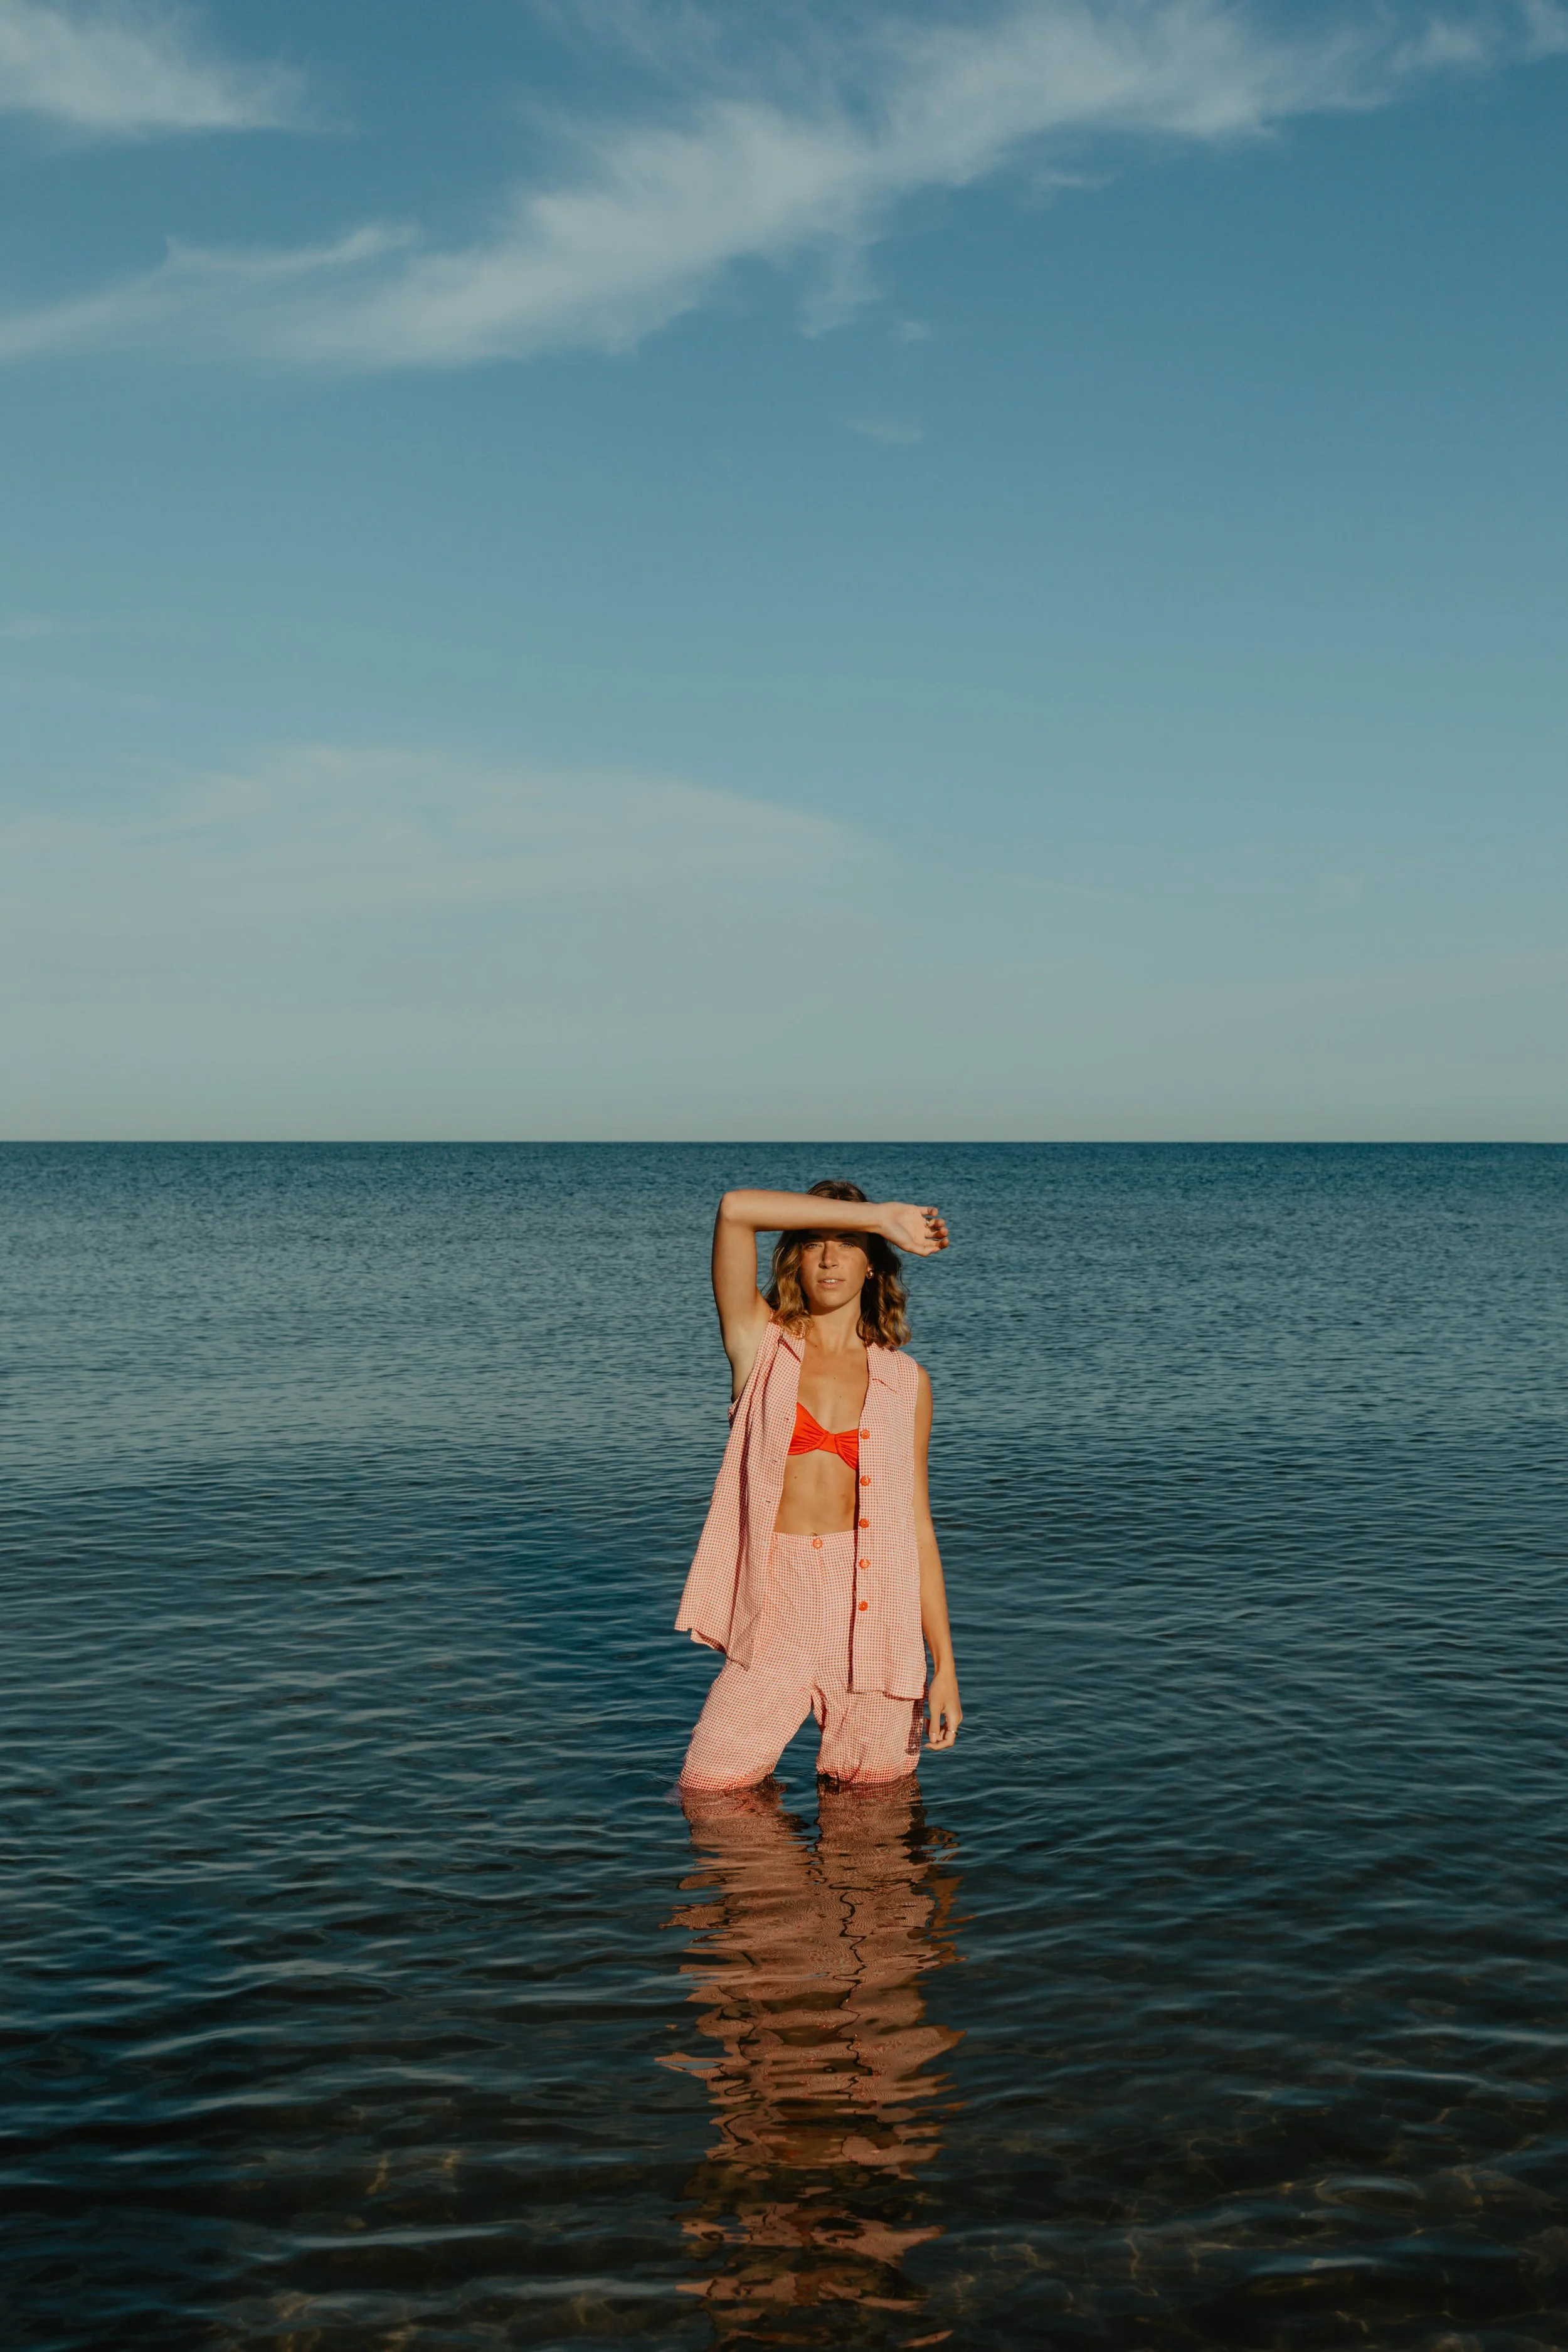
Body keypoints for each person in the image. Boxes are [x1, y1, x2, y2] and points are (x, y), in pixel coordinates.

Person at [675, 1180, 961, 1791]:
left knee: (873, 1821)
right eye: (814, 1243)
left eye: (849, 1244)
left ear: (871, 1263)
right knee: (710, 1794)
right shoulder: (761, 1346)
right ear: (794, 1259)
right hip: (776, 1606)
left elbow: (917, 1526)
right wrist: (879, 1215)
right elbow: (733, 1209)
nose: (830, 1259)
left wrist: (944, 1666)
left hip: (877, 1614)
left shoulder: (905, 1383)